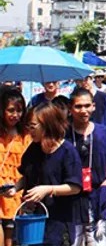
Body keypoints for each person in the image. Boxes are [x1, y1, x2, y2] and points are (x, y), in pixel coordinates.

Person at [4, 103, 82, 245]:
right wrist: (15, 188)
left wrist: (48, 189)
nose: (29, 131)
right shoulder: (33, 148)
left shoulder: (67, 151)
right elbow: (27, 176)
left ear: (47, 125)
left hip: (57, 222)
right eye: (28, 126)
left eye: (33, 127)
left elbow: (75, 187)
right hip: (31, 221)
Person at [66, 88, 106, 246]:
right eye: (78, 106)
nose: (83, 110)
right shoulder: (63, 134)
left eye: (87, 105)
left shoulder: (103, 133)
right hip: (70, 204)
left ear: (93, 106)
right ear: (70, 108)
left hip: (96, 201)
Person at [0, 89, 31, 246]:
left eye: (19, 110)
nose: (15, 115)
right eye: (11, 110)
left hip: (16, 191)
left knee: (12, 235)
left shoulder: (26, 135)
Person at [76, 75, 106, 151]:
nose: (84, 83)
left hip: (103, 139)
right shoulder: (77, 100)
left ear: (91, 79)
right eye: (80, 81)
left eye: (86, 79)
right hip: (82, 140)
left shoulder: (104, 98)